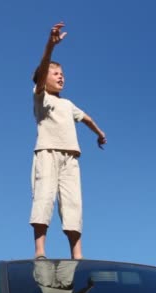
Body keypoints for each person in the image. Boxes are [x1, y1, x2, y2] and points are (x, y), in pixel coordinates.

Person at [30, 22, 107, 260]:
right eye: (56, 74)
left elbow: (86, 118)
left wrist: (99, 132)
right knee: (44, 198)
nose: (61, 77)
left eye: (63, 74)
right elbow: (43, 70)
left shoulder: (68, 104)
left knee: (73, 204)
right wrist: (50, 47)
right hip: (47, 153)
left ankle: (77, 254)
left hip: (71, 157)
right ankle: (40, 251)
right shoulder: (40, 96)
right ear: (44, 79)